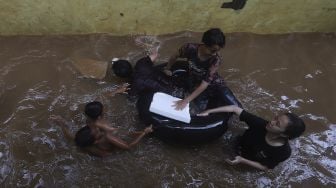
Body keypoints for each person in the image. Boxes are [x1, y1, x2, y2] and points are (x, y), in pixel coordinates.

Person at [198, 105, 306, 170]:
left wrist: (242, 160)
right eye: (275, 118)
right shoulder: (261, 124)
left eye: (277, 124)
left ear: (284, 134)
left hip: (248, 159)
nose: (271, 122)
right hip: (238, 142)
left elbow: (266, 167)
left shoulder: (283, 152)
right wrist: (208, 111)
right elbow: (235, 109)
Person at [50, 97, 153, 157]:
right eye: (96, 131)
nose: (95, 128)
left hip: (99, 152)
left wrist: (62, 124)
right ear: (96, 140)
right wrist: (144, 132)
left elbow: (71, 137)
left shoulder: (82, 141)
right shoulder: (108, 137)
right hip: (108, 154)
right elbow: (128, 147)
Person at [163, 28, 236, 110]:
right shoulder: (189, 48)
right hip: (195, 80)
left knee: (235, 105)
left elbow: (204, 84)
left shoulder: (216, 59)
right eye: (213, 50)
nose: (215, 53)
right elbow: (175, 56)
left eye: (217, 51)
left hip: (213, 84)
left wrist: (186, 101)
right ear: (204, 44)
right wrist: (167, 68)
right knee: (196, 106)